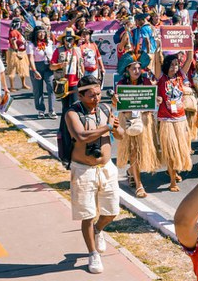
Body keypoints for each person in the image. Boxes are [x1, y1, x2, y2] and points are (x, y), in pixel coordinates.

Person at [64, 75, 125, 275]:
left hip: (106, 168)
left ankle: (99, 230)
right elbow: (81, 136)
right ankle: (92, 253)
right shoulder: (72, 113)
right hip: (83, 170)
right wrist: (107, 127)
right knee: (87, 214)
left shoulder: (106, 109)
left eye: (99, 94)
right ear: (81, 96)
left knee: (112, 211)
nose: (97, 98)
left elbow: (120, 134)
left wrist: (117, 128)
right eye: (92, 95)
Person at [114, 52, 160, 198]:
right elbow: (116, 104)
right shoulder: (121, 84)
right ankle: (139, 185)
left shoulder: (146, 82)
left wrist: (156, 100)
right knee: (133, 151)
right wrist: (115, 99)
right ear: (127, 70)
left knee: (141, 151)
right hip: (128, 121)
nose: (137, 71)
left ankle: (131, 172)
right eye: (133, 68)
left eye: (139, 68)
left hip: (144, 121)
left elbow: (152, 99)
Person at [157, 53, 194, 192]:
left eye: (176, 64)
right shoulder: (161, 77)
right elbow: (156, 61)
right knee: (171, 151)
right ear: (166, 66)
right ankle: (172, 181)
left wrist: (189, 41)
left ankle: (172, 171)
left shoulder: (180, 77)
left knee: (180, 149)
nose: (174, 67)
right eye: (171, 64)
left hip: (181, 119)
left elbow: (190, 59)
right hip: (167, 120)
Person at [50, 29, 84, 114]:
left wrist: (82, 80)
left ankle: (73, 125)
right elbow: (51, 66)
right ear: (63, 40)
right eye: (67, 38)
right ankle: (64, 126)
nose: (69, 41)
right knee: (65, 107)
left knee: (75, 105)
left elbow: (81, 65)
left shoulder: (78, 50)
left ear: (74, 40)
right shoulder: (58, 51)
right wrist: (60, 65)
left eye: (71, 38)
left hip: (75, 83)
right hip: (62, 82)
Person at [27, 25, 57, 119]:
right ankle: (41, 110)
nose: (42, 34)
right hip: (36, 67)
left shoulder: (49, 43)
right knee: (38, 90)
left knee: (51, 87)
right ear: (35, 34)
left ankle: (51, 110)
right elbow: (31, 58)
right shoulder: (31, 44)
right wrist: (35, 70)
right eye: (40, 32)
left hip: (48, 67)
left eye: (43, 32)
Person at [6, 18, 31, 91]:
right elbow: (13, 42)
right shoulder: (13, 32)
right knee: (12, 69)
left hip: (21, 51)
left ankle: (23, 84)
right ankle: (12, 86)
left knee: (22, 68)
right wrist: (17, 51)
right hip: (14, 52)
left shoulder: (18, 31)